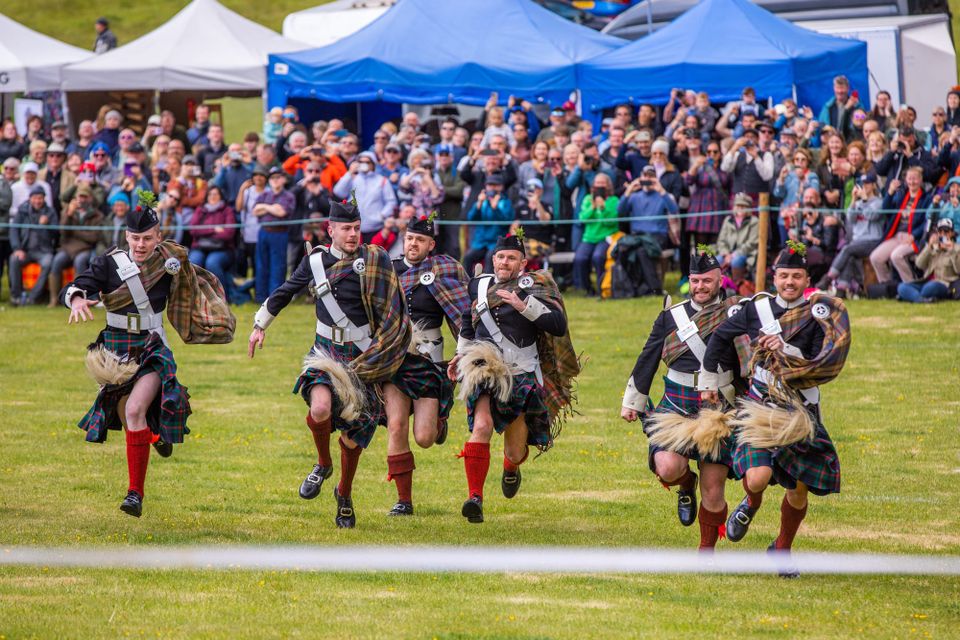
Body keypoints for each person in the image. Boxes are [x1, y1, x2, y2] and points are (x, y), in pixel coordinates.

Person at [60, 193, 235, 517]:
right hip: (115, 351)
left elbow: (194, 288)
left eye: (148, 238)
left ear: (158, 235)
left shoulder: (170, 261)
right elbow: (77, 285)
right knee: (131, 417)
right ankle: (155, 435)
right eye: (135, 238)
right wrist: (78, 299)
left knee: (136, 409)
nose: (141, 244)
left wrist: (210, 320)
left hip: (152, 347)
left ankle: (134, 494)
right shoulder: (109, 263)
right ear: (126, 236)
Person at [249, 200, 411, 528]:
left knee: (354, 436)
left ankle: (344, 494)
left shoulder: (375, 259)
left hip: (363, 359)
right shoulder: (316, 262)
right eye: (345, 229)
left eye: (356, 228)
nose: (352, 235)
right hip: (325, 352)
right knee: (320, 409)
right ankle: (323, 464)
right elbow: (286, 291)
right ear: (331, 229)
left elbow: (395, 302)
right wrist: (259, 325)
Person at [700, 242, 850, 577]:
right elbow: (720, 339)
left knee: (798, 491)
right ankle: (750, 503)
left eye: (797, 276)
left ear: (806, 278)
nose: (790, 283)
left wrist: (784, 347)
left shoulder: (817, 313)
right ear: (774, 277)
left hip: (801, 408)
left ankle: (781, 550)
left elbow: (819, 361)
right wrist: (709, 383)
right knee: (757, 477)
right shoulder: (756, 309)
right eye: (784, 276)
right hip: (760, 407)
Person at [449, 234, 579, 523]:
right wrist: (460, 356)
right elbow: (468, 325)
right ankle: (475, 498)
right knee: (481, 426)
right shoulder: (478, 285)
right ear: (493, 259)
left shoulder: (535, 286)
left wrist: (524, 307)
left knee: (515, 450)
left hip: (521, 372)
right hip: (484, 369)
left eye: (511, 258)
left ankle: (511, 467)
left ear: (522, 262)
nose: (504, 262)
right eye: (500, 257)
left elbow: (558, 325)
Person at [621, 249, 744, 550]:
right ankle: (686, 485)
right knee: (667, 467)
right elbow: (649, 355)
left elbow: (747, 361)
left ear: (719, 279)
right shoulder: (671, 316)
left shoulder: (735, 312)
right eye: (695, 281)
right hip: (676, 403)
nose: (700, 287)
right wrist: (632, 401)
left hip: (720, 407)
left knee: (713, 489)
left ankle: (706, 553)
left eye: (707, 281)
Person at [384, 215, 471, 515]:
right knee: (396, 426)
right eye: (409, 238)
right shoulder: (389, 269)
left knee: (424, 438)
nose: (413, 244)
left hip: (430, 361)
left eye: (420, 240)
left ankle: (440, 420)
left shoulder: (443, 271)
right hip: (396, 360)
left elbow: (462, 315)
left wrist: (467, 351)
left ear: (430, 245)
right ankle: (403, 501)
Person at [817, 172, 885, 296]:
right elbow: (850, 218)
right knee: (849, 255)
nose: (864, 186)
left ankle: (828, 278)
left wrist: (864, 200)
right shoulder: (858, 203)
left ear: (874, 185)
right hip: (858, 241)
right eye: (862, 184)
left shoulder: (879, 203)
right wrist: (854, 200)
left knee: (847, 250)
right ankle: (842, 289)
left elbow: (872, 215)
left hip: (873, 240)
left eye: (868, 184)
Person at [870, 166, 930, 285]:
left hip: (913, 238)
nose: (912, 182)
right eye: (909, 179)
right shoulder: (902, 195)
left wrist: (914, 235)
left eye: (915, 179)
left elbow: (926, 222)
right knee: (875, 257)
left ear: (921, 180)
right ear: (906, 180)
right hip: (896, 235)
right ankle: (888, 286)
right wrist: (890, 192)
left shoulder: (926, 199)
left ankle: (911, 285)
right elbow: (886, 209)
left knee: (896, 256)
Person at [49, 185, 104, 306]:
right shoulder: (68, 211)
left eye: (85, 196)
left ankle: (77, 297)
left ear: (90, 198)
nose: (82, 199)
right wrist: (69, 214)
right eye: (80, 196)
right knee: (56, 261)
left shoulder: (97, 215)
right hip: (67, 247)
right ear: (76, 197)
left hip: (84, 248)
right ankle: (54, 299)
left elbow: (94, 237)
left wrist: (74, 231)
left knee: (80, 262)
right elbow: (63, 231)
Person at [8, 186, 57, 306]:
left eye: (40, 198)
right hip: (26, 250)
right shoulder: (22, 211)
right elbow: (13, 230)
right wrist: (17, 248)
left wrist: (47, 225)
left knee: (48, 263)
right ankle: (17, 296)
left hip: (44, 251)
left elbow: (57, 234)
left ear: (44, 199)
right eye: (35, 198)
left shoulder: (50, 212)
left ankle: (33, 297)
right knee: (14, 259)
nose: (37, 201)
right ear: (30, 198)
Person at [253, 168, 295, 302]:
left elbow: (282, 212)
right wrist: (271, 207)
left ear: (283, 179)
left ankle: (275, 298)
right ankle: (260, 297)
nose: (275, 180)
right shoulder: (265, 195)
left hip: (279, 233)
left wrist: (264, 207)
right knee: (261, 265)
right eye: (272, 178)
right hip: (263, 232)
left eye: (278, 177)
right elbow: (255, 211)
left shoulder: (288, 196)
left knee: (277, 266)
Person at [189, 186, 237, 300]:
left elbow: (228, 233)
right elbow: (193, 230)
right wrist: (214, 229)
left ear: (221, 196)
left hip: (222, 248)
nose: (213, 197)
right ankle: (196, 297)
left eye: (216, 194)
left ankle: (221, 297)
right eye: (210, 194)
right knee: (193, 262)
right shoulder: (201, 210)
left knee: (212, 263)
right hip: (200, 247)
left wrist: (203, 231)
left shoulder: (227, 210)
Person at [333, 152, 397, 238]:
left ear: (373, 164)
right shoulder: (352, 178)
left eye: (367, 162)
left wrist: (382, 216)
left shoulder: (382, 180)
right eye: (361, 162)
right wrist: (349, 173)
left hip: (376, 228)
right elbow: (338, 192)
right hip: (354, 227)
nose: (364, 164)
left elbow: (391, 202)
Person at [573, 173, 618, 295]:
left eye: (602, 183)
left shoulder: (613, 200)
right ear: (593, 185)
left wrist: (603, 208)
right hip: (589, 238)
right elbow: (583, 218)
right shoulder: (588, 199)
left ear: (608, 185)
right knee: (580, 258)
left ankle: (602, 288)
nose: (600, 185)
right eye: (597, 183)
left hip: (606, 237)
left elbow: (611, 223)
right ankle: (587, 288)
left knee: (598, 257)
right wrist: (593, 207)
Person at [897, 219, 960, 303]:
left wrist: (951, 251)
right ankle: (921, 299)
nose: (943, 234)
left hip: (945, 284)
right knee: (902, 287)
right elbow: (919, 264)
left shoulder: (957, 249)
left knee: (929, 288)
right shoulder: (933, 247)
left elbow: (958, 270)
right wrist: (929, 247)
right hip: (926, 281)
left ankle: (911, 296)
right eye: (940, 232)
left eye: (946, 231)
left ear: (952, 233)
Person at [618, 165, 680, 251]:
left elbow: (674, 211)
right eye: (645, 176)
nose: (647, 179)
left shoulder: (663, 195)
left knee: (642, 251)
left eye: (651, 176)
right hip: (638, 235)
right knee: (623, 248)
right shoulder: (634, 196)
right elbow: (620, 211)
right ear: (640, 178)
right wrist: (629, 190)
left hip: (657, 235)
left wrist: (661, 190)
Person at [463, 173, 513, 275]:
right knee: (468, 257)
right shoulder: (482, 201)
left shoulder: (505, 202)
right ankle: (466, 283)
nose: (492, 188)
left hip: (496, 242)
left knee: (490, 257)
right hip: (480, 242)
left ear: (501, 187)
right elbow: (471, 219)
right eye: (490, 185)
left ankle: (488, 286)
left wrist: (496, 209)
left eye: (495, 185)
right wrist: (479, 204)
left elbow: (506, 222)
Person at [716, 193, 760, 283]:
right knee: (716, 260)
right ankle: (720, 287)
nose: (740, 208)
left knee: (736, 261)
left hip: (746, 253)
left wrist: (733, 255)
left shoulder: (754, 221)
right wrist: (725, 253)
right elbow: (721, 240)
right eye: (738, 205)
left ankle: (737, 286)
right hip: (727, 253)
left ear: (748, 208)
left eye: (743, 206)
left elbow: (752, 243)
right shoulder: (728, 220)